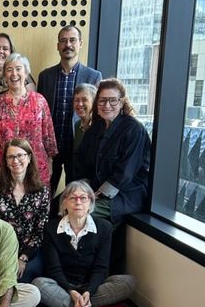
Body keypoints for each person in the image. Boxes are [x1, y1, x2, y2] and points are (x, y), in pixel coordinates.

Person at [33, 180, 136, 307]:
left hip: (93, 287)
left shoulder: (104, 227)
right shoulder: (51, 228)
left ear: (90, 203)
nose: (78, 202)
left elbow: (101, 268)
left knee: (129, 282)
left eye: (83, 198)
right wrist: (72, 292)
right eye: (72, 198)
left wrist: (88, 292)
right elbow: (53, 268)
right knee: (38, 285)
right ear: (64, 203)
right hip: (62, 286)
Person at [74, 78, 151, 227]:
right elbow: (80, 160)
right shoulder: (95, 128)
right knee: (58, 205)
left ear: (121, 102)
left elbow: (125, 173)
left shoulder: (134, 130)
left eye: (113, 101)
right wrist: (82, 188)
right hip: (93, 190)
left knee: (78, 213)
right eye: (102, 101)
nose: (107, 105)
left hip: (125, 194)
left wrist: (97, 194)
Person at [36, 23, 102, 194]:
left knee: (75, 193)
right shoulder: (45, 76)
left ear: (80, 43)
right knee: (44, 193)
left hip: (79, 146)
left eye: (73, 40)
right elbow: (40, 114)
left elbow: (96, 115)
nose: (68, 45)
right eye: (63, 41)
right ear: (58, 46)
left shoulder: (94, 76)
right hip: (51, 147)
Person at [0, 53, 57, 186]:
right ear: (5, 74)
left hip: (35, 169)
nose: (14, 74)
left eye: (18, 69)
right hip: (4, 169)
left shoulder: (39, 101)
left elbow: (49, 137)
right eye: (9, 70)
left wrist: (50, 163)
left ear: (26, 72)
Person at [0, 138, 50, 283]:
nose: (15, 160)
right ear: (6, 161)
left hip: (30, 251)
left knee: (23, 276)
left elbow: (40, 231)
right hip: (1, 250)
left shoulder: (41, 191)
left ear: (29, 158)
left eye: (20, 155)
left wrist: (23, 258)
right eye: (11, 157)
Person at [72, 83, 97, 152]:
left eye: (84, 100)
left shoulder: (101, 126)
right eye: (77, 100)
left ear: (94, 102)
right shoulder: (77, 125)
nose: (80, 104)